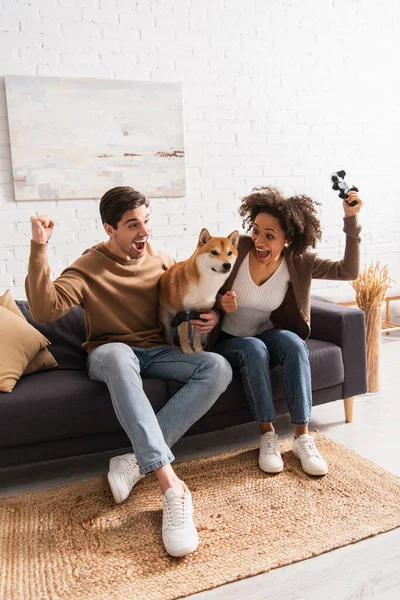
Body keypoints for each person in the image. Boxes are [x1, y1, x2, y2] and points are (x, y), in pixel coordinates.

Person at [26, 186, 232, 558]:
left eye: (147, 221)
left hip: (157, 351)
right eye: (132, 224)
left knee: (217, 366)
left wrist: (213, 315)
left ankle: (136, 460)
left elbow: (193, 295)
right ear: (110, 229)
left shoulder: (162, 260)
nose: (144, 231)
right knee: (121, 355)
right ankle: (171, 487)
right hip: (109, 353)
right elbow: (44, 309)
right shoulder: (88, 266)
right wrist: (40, 247)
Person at [210, 186, 363, 477]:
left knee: (293, 343)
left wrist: (351, 219)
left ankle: (302, 437)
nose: (259, 240)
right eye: (256, 231)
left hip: (266, 334)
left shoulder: (298, 261)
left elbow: (348, 272)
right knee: (253, 349)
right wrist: (219, 301)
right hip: (229, 340)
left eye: (270, 235)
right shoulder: (237, 249)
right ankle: (268, 436)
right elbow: (200, 280)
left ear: (287, 239)